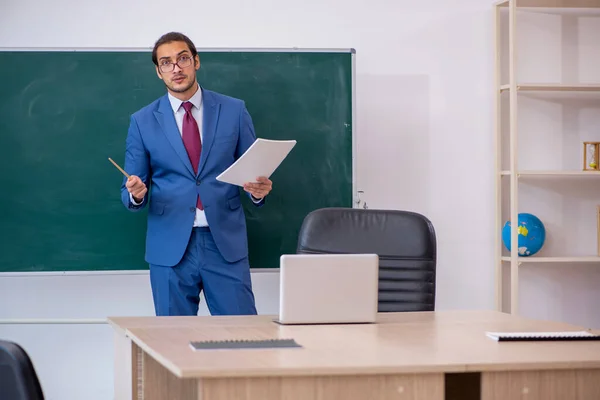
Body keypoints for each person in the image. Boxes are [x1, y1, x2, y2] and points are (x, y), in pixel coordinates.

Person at [120, 32, 272, 317]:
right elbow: (130, 186)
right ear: (158, 72)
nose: (176, 68)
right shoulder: (142, 121)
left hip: (224, 243)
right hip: (170, 247)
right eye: (166, 63)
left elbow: (254, 169)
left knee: (244, 338)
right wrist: (135, 194)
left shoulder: (234, 110)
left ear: (196, 62)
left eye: (183, 59)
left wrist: (258, 189)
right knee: (172, 344)